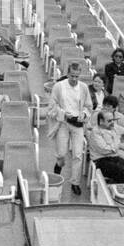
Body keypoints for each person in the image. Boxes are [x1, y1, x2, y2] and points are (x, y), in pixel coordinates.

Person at [47, 62, 91, 196]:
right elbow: (52, 107)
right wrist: (63, 114)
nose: (75, 79)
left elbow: (88, 106)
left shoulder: (83, 88)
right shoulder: (58, 87)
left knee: (78, 154)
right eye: (72, 76)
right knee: (61, 153)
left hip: (77, 124)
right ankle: (58, 165)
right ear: (67, 74)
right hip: (64, 123)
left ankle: (75, 183)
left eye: (77, 76)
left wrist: (84, 114)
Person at [87, 111, 124, 185]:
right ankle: (120, 192)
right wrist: (119, 145)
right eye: (109, 121)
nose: (112, 122)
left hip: (115, 157)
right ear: (101, 121)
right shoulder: (96, 132)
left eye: (113, 120)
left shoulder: (113, 127)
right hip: (101, 160)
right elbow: (104, 149)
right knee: (123, 173)